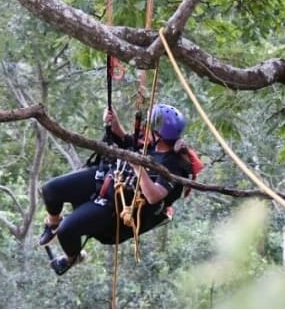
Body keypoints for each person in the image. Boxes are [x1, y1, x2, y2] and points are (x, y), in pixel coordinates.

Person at [37, 103, 195, 275]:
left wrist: (138, 167)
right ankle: (53, 222)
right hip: (106, 178)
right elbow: (129, 144)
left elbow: (154, 196)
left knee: (67, 230)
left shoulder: (173, 165)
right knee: (50, 190)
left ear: (158, 135)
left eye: (148, 126)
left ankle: (73, 257)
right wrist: (115, 124)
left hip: (116, 206)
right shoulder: (151, 144)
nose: (144, 128)